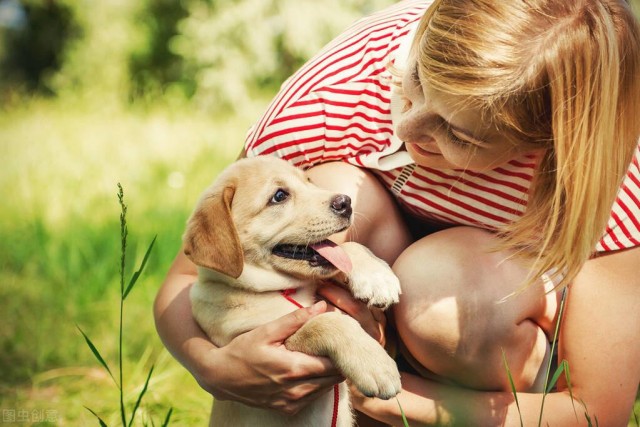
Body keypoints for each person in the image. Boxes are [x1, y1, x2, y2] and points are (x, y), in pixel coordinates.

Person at [154, 0, 640, 425]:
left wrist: (388, 403)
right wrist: (214, 368)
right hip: (364, 313)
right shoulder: (336, 87)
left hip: (475, 331)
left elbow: (595, 411)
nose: (405, 126)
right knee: (331, 187)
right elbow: (192, 277)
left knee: (449, 293)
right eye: (417, 79)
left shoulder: (607, 170)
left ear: (543, 142)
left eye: (459, 134)